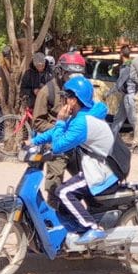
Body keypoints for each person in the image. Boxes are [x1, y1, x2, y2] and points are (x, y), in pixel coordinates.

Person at [31, 75, 117, 245]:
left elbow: (58, 145)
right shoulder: (81, 116)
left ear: (75, 100)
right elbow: (55, 132)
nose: (65, 100)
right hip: (94, 166)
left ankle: (92, 228)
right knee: (60, 192)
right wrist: (33, 142)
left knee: (63, 192)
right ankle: (73, 228)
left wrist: (61, 120)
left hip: (101, 171)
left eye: (68, 97)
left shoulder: (82, 122)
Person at [33, 50, 87, 202]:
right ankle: (53, 217)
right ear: (59, 72)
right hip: (58, 145)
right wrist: (59, 127)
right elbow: (37, 122)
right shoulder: (47, 91)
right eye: (69, 74)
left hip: (79, 143)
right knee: (55, 186)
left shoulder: (80, 89)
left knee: (89, 179)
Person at [107, 45, 137, 138]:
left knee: (132, 119)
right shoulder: (131, 63)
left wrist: (108, 94)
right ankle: (111, 138)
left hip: (129, 96)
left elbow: (119, 83)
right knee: (118, 118)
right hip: (126, 95)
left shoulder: (126, 66)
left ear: (121, 54)